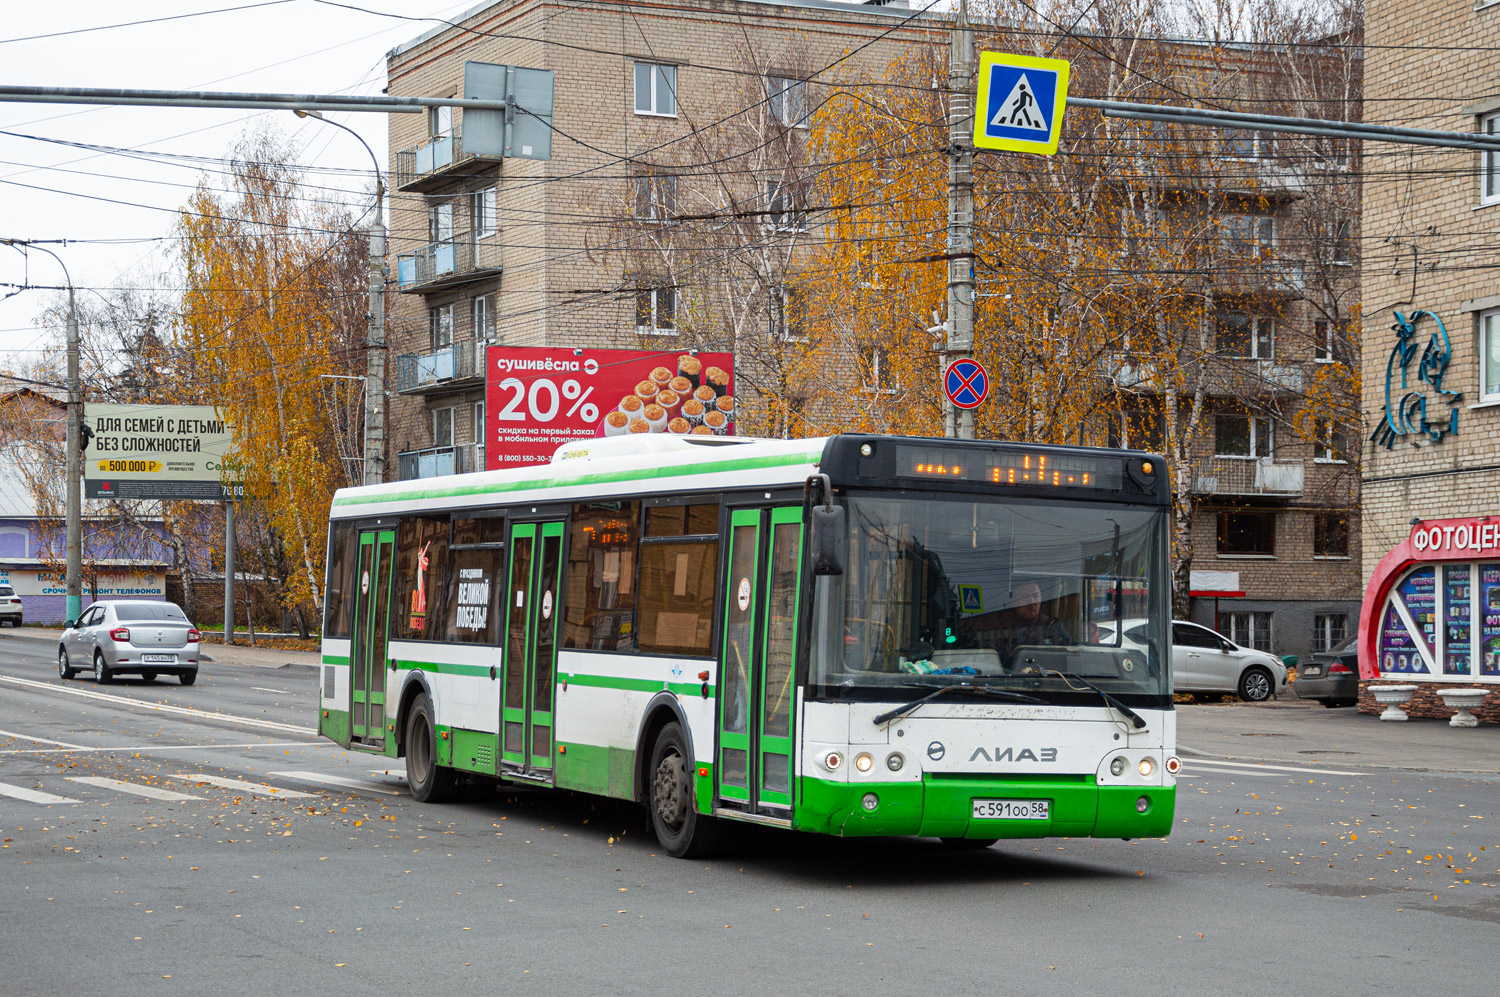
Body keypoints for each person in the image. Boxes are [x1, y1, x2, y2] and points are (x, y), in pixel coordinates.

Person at [996, 580, 1072, 664]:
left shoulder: (1053, 625)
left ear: (1041, 598)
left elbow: (1070, 653)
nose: (1031, 601)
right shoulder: (1001, 627)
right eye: (1024, 597)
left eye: (1035, 596)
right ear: (1013, 601)